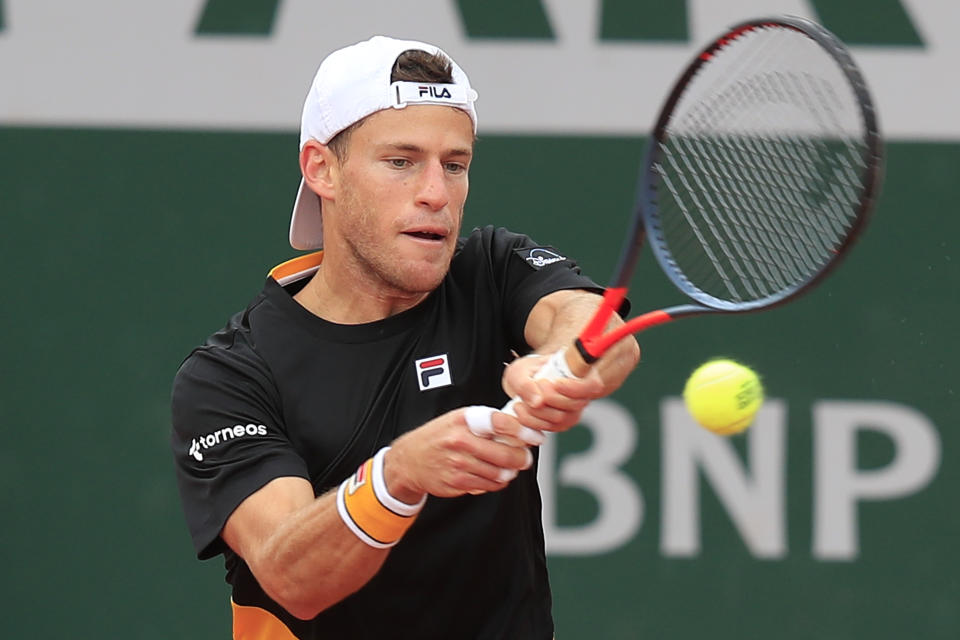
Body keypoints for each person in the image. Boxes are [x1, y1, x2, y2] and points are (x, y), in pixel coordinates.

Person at [171, 35, 640, 640]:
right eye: (401, 161)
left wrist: (561, 363)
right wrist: (398, 477)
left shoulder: (490, 272)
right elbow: (292, 577)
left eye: (455, 164)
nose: (436, 194)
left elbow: (596, 327)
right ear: (322, 170)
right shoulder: (230, 377)